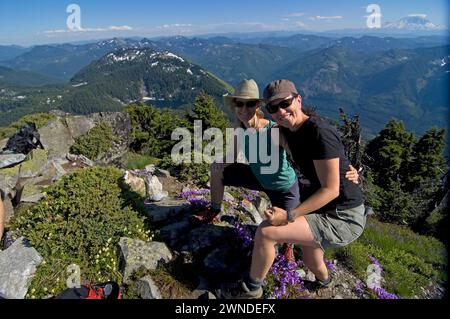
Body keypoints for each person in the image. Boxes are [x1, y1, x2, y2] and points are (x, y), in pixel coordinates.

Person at [220, 79, 366, 299]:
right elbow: (256, 135)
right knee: (310, 258)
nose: (280, 111)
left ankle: (250, 291)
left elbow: (331, 190)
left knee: (267, 232)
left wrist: (288, 215)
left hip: (342, 215)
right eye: (273, 107)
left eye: (285, 103)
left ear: (298, 100)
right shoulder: (287, 131)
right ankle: (326, 280)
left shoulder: (319, 132)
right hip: (320, 205)